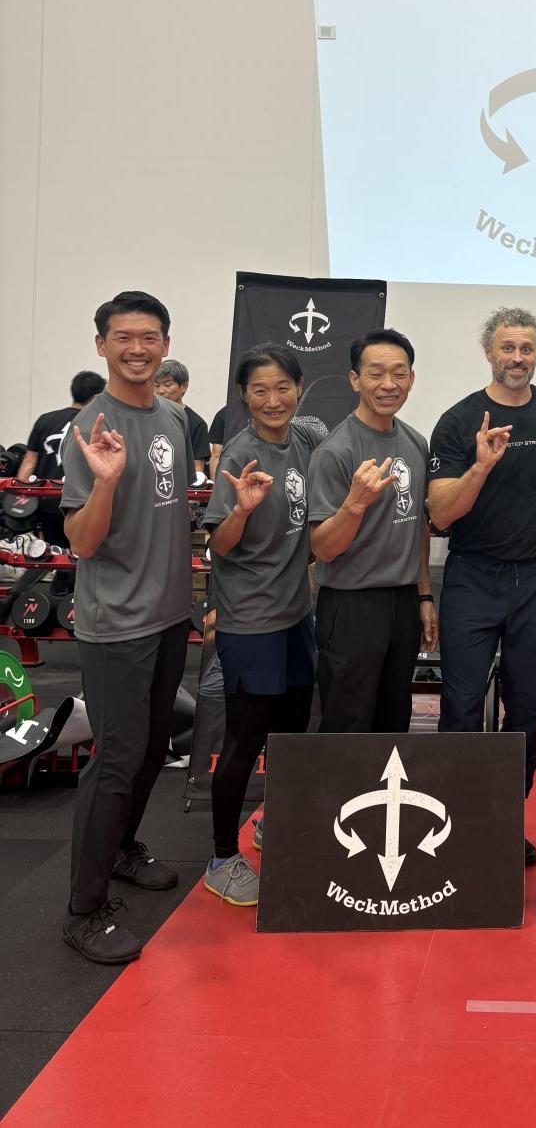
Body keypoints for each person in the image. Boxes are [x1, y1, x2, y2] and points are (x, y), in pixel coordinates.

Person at [427, 308, 536, 864]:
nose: (516, 358)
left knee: (527, 706)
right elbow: (441, 514)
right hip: (473, 575)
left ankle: (503, 820)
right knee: (461, 704)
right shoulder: (458, 421)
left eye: (526, 348)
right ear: (488, 352)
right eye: (507, 347)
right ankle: (455, 822)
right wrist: (480, 466)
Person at [60, 291, 194, 965]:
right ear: (101, 345)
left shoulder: (175, 417)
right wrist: (107, 481)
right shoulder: (89, 428)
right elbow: (82, 542)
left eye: (149, 337)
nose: (137, 349)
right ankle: (83, 909)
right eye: (123, 337)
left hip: (169, 615)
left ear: (165, 344)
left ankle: (118, 850)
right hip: (116, 623)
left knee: (148, 750)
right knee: (115, 759)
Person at [201, 344, 318, 907]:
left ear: (300, 389)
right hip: (252, 621)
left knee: (290, 734)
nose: (273, 400)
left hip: (295, 615)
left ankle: (274, 822)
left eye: (283, 388)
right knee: (244, 741)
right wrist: (241, 510)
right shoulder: (240, 454)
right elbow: (218, 546)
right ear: (243, 396)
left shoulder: (304, 441)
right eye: (260, 390)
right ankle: (222, 857)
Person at [309, 330, 437, 735]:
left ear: (411, 379)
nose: (388, 384)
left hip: (402, 602)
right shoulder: (336, 451)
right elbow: (322, 548)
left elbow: (417, 525)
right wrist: (355, 504)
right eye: (375, 373)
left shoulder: (415, 442)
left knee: (393, 720)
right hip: (351, 605)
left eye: (399, 373)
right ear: (355, 380)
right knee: (348, 724)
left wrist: (424, 595)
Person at [17, 371, 106, 546]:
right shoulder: (96, 425)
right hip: (78, 504)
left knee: (52, 553)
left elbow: (29, 461)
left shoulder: (45, 420)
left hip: (45, 503)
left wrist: (21, 498)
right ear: (96, 397)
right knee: (79, 555)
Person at [153, 360, 210, 476]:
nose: (161, 391)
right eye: (157, 385)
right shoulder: (148, 418)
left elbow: (197, 470)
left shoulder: (196, 423)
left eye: (167, 385)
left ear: (184, 387)